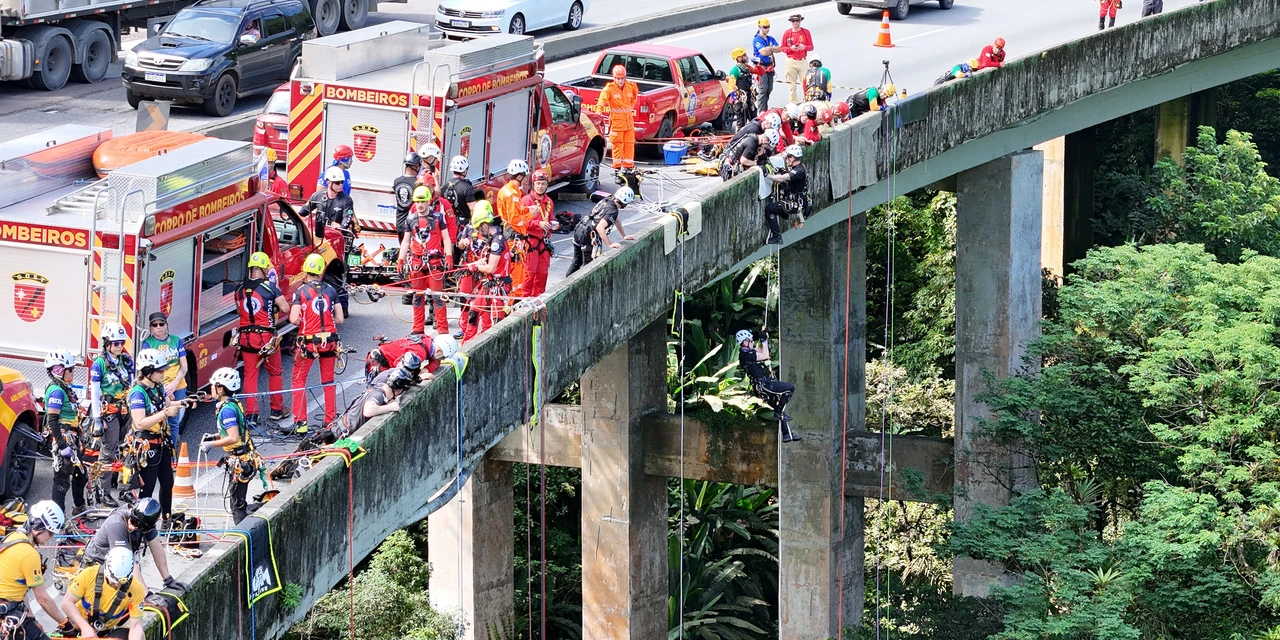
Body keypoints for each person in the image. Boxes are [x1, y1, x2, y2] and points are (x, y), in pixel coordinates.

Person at [0, 501, 74, 639]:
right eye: (50, 533)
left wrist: (31, 618)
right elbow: (43, 599)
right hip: (7, 614)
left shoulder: (13, 537)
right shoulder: (29, 554)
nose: (50, 538)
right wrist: (65, 623)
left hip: (10, 609)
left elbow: (20, 587)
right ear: (38, 528)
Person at [288, 254, 344, 434]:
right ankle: (329, 421)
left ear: (306, 271)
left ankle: (300, 423)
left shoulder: (301, 292)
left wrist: (305, 321)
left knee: (299, 380)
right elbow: (340, 319)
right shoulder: (331, 290)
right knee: (328, 381)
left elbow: (293, 319)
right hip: (329, 342)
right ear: (320, 272)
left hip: (308, 343)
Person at [82, 498, 185, 593]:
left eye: (139, 527)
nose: (133, 527)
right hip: (98, 564)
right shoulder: (116, 524)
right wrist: (145, 593)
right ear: (131, 512)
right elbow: (126, 560)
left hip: (120, 565)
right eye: (133, 521)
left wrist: (168, 579)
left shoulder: (145, 521)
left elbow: (156, 547)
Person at [200, 368, 262, 525]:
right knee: (238, 501)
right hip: (244, 458)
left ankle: (242, 533)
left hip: (240, 461)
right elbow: (232, 432)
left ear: (221, 389)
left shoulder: (226, 410)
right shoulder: (232, 404)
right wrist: (214, 436)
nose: (211, 388)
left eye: (214, 386)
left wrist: (211, 444)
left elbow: (233, 437)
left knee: (237, 506)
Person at [235, 252, 290, 422]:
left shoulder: (239, 289)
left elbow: (239, 311)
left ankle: (251, 414)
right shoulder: (271, 287)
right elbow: (285, 308)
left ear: (251, 268)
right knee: (275, 373)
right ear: (265, 268)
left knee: (250, 375)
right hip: (267, 338)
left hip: (246, 337)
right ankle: (276, 410)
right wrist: (272, 308)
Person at [125, 349, 178, 517]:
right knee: (147, 487)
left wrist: (185, 403)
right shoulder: (138, 393)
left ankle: (167, 518)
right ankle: (140, 524)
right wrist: (165, 414)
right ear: (148, 372)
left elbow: (168, 404)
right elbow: (139, 422)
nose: (163, 373)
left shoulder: (158, 386)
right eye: (160, 371)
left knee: (168, 482)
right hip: (147, 445)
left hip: (162, 441)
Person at [402, 185, 455, 336]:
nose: (419, 205)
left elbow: (446, 238)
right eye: (417, 202)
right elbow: (406, 241)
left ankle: (442, 329)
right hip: (416, 263)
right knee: (417, 297)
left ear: (428, 201)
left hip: (434, 262)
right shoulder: (410, 219)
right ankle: (417, 329)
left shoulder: (438, 217)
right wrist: (400, 260)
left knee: (438, 297)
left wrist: (449, 256)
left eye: (422, 201)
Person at [90, 322, 133, 508]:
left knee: (128, 450)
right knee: (107, 453)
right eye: (116, 343)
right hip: (109, 413)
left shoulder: (126, 360)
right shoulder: (99, 365)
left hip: (126, 411)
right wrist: (97, 419)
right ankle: (104, 492)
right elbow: (94, 393)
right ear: (107, 343)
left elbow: (132, 384)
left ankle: (125, 489)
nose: (120, 346)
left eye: (122, 342)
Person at [63, 546, 146, 639]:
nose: (117, 585)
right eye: (114, 581)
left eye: (121, 583)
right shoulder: (89, 574)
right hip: (78, 624)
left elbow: (136, 626)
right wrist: (84, 626)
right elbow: (67, 602)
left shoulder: (136, 589)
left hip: (105, 630)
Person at [736, 329, 799, 442]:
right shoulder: (746, 355)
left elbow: (761, 350)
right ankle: (778, 413)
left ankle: (786, 434)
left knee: (777, 404)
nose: (753, 342)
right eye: (750, 341)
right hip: (765, 386)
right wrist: (764, 340)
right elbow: (765, 355)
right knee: (789, 388)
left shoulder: (747, 352)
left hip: (762, 387)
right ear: (745, 342)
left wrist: (762, 337)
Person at [44, 350, 86, 517]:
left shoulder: (64, 388)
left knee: (80, 475)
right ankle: (57, 519)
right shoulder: (56, 391)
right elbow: (52, 421)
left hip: (72, 439)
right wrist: (62, 446)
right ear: (59, 370)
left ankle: (79, 507)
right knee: (61, 481)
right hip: (64, 439)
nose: (73, 372)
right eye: (71, 369)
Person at [462, 204, 514, 340]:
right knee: (474, 312)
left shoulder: (497, 242)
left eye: (479, 228)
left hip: (499, 286)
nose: (478, 231)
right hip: (489, 285)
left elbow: (491, 268)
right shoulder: (493, 240)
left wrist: (476, 267)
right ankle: (467, 342)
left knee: (498, 322)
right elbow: (488, 260)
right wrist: (475, 263)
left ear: (485, 225)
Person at [327, 366, 410, 444]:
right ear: (399, 391)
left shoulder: (381, 387)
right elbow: (368, 411)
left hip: (341, 428)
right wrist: (391, 407)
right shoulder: (379, 395)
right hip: (340, 434)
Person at [140, 312, 187, 444]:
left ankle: (172, 448)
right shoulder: (148, 343)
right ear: (151, 327)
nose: (158, 327)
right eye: (155, 325)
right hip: (159, 386)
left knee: (174, 421)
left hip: (178, 385)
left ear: (166, 325)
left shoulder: (176, 341)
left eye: (161, 324)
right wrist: (164, 389)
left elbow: (184, 367)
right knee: (157, 418)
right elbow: (146, 370)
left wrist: (174, 384)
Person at [566, 187, 635, 277]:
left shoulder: (607, 200)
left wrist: (623, 235)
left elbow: (616, 220)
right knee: (588, 266)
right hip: (588, 235)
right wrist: (609, 244)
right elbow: (600, 228)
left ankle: (567, 280)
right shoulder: (613, 211)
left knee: (576, 261)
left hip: (580, 228)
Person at [595, 65, 639, 187]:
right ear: (614, 78)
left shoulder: (631, 86)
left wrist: (627, 111)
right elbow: (601, 102)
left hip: (628, 123)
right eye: (618, 78)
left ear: (625, 77)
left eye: (622, 78)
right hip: (617, 124)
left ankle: (628, 170)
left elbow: (634, 99)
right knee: (617, 147)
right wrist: (598, 113)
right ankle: (617, 172)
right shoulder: (609, 89)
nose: (620, 81)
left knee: (629, 146)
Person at [456, 203, 493, 343]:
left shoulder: (491, 231)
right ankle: (464, 328)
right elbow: (459, 245)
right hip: (468, 266)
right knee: (464, 297)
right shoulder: (468, 227)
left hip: (483, 269)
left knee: (484, 299)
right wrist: (463, 241)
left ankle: (486, 327)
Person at [514, 169, 555, 297]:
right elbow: (521, 222)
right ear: (534, 184)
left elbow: (550, 218)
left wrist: (554, 224)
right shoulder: (527, 200)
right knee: (529, 274)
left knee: (543, 274)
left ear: (547, 185)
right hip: (530, 242)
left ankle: (539, 299)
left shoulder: (548, 202)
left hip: (544, 243)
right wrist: (538, 224)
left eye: (543, 184)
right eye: (538, 183)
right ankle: (525, 300)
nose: (540, 186)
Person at [764, 145, 809, 244]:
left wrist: (767, 175)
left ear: (792, 157)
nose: (786, 159)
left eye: (787, 157)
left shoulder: (798, 171)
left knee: (770, 209)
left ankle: (777, 237)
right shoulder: (800, 167)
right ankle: (783, 214)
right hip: (796, 201)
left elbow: (782, 178)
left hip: (794, 203)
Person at [496, 160, 529, 294]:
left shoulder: (505, 190)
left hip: (509, 235)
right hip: (514, 238)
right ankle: (513, 301)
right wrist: (530, 215)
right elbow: (515, 220)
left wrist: (527, 210)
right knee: (517, 275)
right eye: (525, 177)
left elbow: (512, 212)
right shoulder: (512, 195)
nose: (526, 180)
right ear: (519, 176)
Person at [301, 166, 356, 241]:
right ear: (328, 183)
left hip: (337, 237)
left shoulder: (347, 200)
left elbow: (347, 218)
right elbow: (303, 212)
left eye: (342, 182)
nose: (340, 185)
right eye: (337, 182)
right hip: (318, 235)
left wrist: (340, 227)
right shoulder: (317, 196)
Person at [780, 14, 813, 104]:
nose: (795, 23)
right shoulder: (787, 33)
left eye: (797, 21)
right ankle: (793, 103)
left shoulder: (805, 32)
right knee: (792, 85)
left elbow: (811, 47)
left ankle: (807, 100)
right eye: (793, 21)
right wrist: (791, 48)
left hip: (802, 61)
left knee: (806, 83)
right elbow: (782, 48)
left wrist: (804, 47)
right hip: (791, 61)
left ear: (800, 21)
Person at [441, 155, 477, 233]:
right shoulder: (467, 188)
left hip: (448, 225)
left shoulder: (444, 187)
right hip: (464, 226)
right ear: (464, 171)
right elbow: (473, 209)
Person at [751, 19, 780, 113]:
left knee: (769, 89)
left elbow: (779, 49)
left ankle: (764, 109)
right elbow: (763, 52)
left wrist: (769, 49)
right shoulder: (757, 40)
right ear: (760, 27)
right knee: (763, 89)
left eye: (768, 27)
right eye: (765, 27)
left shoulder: (770, 38)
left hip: (769, 66)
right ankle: (761, 112)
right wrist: (772, 49)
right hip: (761, 67)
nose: (767, 29)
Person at [728, 47, 759, 131]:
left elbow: (759, 72)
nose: (746, 56)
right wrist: (735, 99)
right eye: (744, 55)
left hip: (749, 97)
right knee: (741, 122)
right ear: (738, 58)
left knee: (754, 118)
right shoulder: (735, 70)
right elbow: (731, 86)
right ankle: (739, 136)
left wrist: (758, 64)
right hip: (741, 98)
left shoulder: (747, 67)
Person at [392, 152, 422, 237]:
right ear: (416, 166)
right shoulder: (418, 183)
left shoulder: (397, 181)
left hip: (400, 223)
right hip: (413, 224)